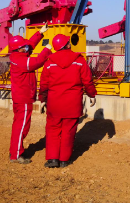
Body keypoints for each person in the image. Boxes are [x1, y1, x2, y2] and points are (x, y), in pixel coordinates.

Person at [39, 34, 97, 168]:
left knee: (53, 130)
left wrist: (42, 99)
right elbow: (87, 80)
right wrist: (92, 94)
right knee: (68, 130)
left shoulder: (49, 62)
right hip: (73, 102)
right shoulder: (79, 60)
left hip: (54, 103)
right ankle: (64, 160)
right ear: (67, 45)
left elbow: (44, 83)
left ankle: (53, 159)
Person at [8, 24, 52, 164]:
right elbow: (36, 62)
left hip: (20, 96)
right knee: (22, 126)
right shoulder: (20, 59)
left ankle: (15, 150)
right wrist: (47, 50)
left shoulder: (17, 55)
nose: (26, 48)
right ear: (18, 48)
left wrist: (40, 33)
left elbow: (30, 45)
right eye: (23, 46)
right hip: (24, 97)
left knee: (18, 124)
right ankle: (16, 155)